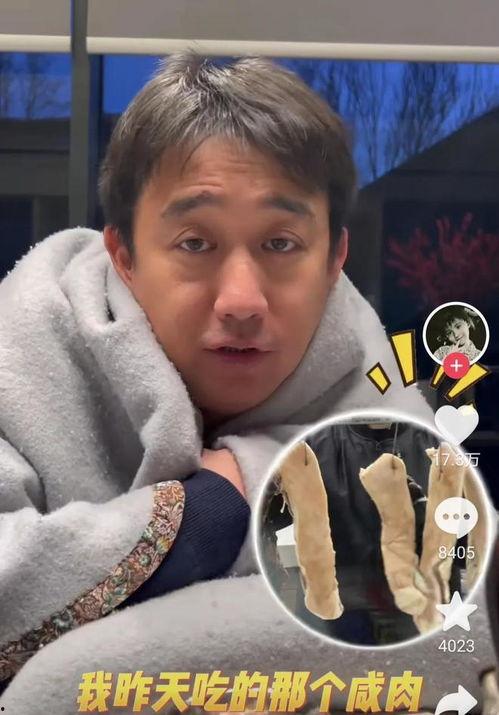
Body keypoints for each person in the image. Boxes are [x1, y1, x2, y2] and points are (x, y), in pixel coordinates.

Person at [1, 51, 470, 711]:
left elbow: (459, 624)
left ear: (333, 258)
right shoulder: (25, 348)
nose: (242, 300)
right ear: (124, 256)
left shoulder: (376, 394)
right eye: (195, 243)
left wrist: (259, 477)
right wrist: (209, 510)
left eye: (280, 244)